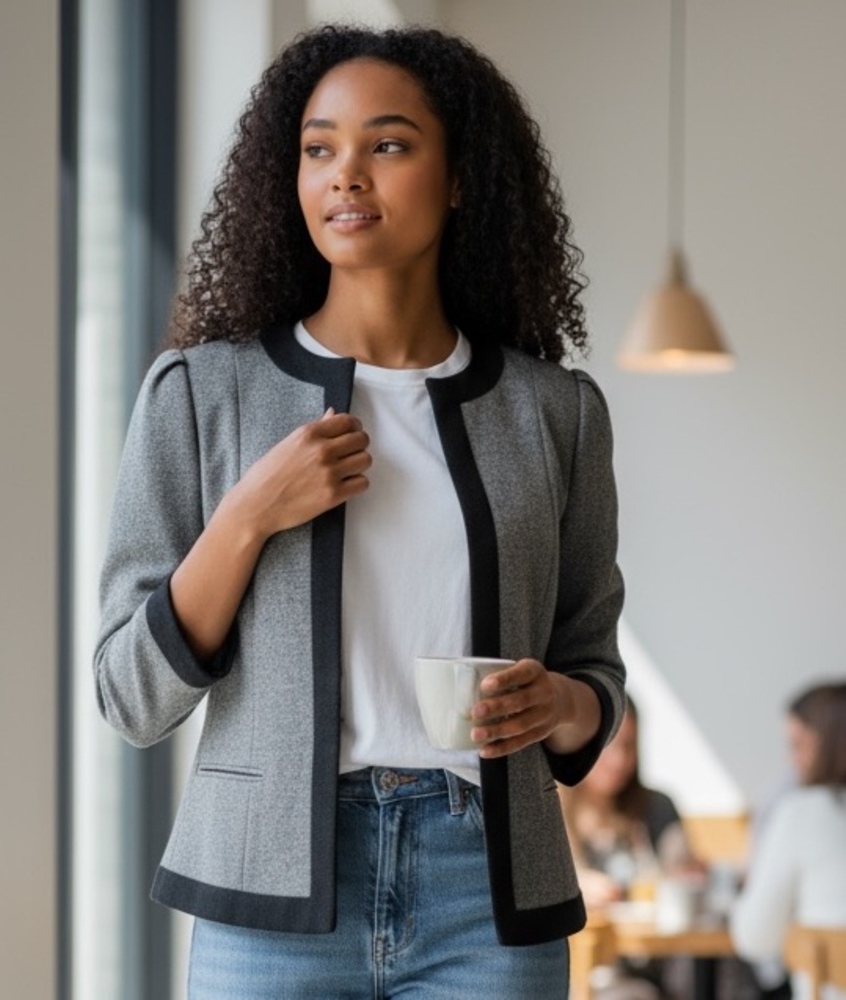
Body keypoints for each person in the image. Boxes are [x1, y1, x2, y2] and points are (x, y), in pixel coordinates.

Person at [94, 23, 626, 999]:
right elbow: (130, 695)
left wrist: (562, 703)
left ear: (459, 177)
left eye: (386, 144)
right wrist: (248, 514)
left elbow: (592, 663)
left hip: (486, 894)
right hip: (269, 893)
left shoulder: (557, 415)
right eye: (317, 148)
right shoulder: (202, 395)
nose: (345, 174)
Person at [561, 696, 697, 1000]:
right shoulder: (551, 810)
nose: (620, 760)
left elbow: (681, 866)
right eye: (611, 745)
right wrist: (574, 887)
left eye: (629, 746)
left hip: (651, 966)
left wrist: (685, 872)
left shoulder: (656, 807)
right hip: (581, 971)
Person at [730, 681, 846, 1000]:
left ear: (830, 744)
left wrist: (743, 881)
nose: (792, 761)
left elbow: (753, 938)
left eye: (799, 745)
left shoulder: (800, 812)